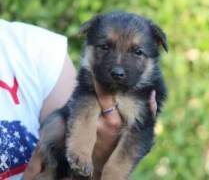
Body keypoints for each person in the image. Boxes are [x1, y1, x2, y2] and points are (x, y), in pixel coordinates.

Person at [0, 19, 157, 180]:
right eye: (105, 48)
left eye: (137, 53)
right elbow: (73, 113)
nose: (118, 66)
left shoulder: (37, 48)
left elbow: (140, 137)